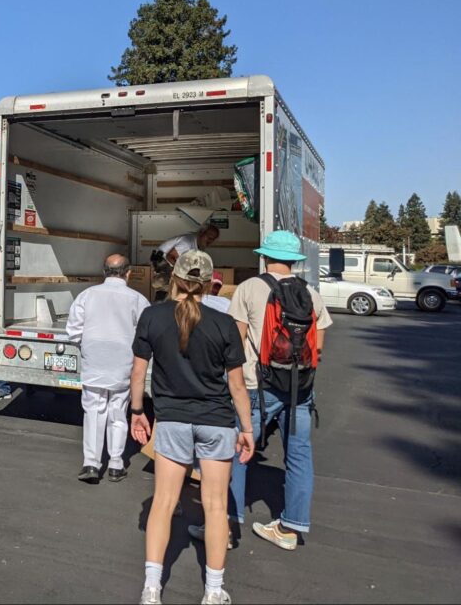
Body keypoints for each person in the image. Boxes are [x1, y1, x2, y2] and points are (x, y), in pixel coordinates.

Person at [129, 251, 255, 605]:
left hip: (171, 420)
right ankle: (213, 590)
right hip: (217, 421)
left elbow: (138, 373)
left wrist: (138, 411)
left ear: (174, 278)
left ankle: (152, 587)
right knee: (215, 507)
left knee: (164, 503)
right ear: (210, 282)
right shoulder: (224, 323)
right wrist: (246, 428)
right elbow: (238, 387)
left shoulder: (152, 316)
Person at [202, 230, 332, 552]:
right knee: (299, 455)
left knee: (237, 451)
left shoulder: (249, 288)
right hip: (299, 390)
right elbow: (319, 349)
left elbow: (236, 342)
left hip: (256, 389)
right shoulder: (310, 293)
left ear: (265, 256)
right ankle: (290, 528)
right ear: (294, 261)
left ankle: (227, 526)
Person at [67, 254, 149, 484]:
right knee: (118, 413)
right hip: (123, 366)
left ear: (104, 272)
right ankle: (115, 463)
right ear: (128, 273)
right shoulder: (138, 299)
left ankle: (91, 463)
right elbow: (146, 333)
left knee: (93, 412)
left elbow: (73, 331)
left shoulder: (86, 296)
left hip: (94, 364)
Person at [151, 224, 220, 301]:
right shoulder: (187, 242)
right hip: (164, 264)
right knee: (165, 289)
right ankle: (160, 307)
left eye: (213, 239)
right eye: (209, 237)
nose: (210, 241)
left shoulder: (197, 244)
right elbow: (171, 256)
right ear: (201, 233)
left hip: (171, 265)